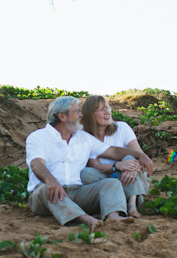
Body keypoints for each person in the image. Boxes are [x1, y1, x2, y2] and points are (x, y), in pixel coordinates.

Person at [26, 96, 153, 228]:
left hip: (76, 192)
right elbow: (37, 164)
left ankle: (113, 216)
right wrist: (50, 180)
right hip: (46, 195)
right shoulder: (38, 137)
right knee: (46, 189)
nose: (81, 115)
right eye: (77, 111)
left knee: (111, 183)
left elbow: (112, 151)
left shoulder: (83, 138)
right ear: (62, 117)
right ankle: (86, 219)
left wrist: (140, 155)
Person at [79, 95, 154, 218]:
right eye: (101, 109)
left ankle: (132, 205)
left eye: (107, 108)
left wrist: (130, 166)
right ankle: (117, 199)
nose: (107, 112)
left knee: (130, 158)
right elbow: (96, 166)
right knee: (85, 173)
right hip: (107, 180)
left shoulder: (122, 128)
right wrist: (117, 166)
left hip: (133, 179)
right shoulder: (85, 137)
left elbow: (140, 156)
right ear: (90, 114)